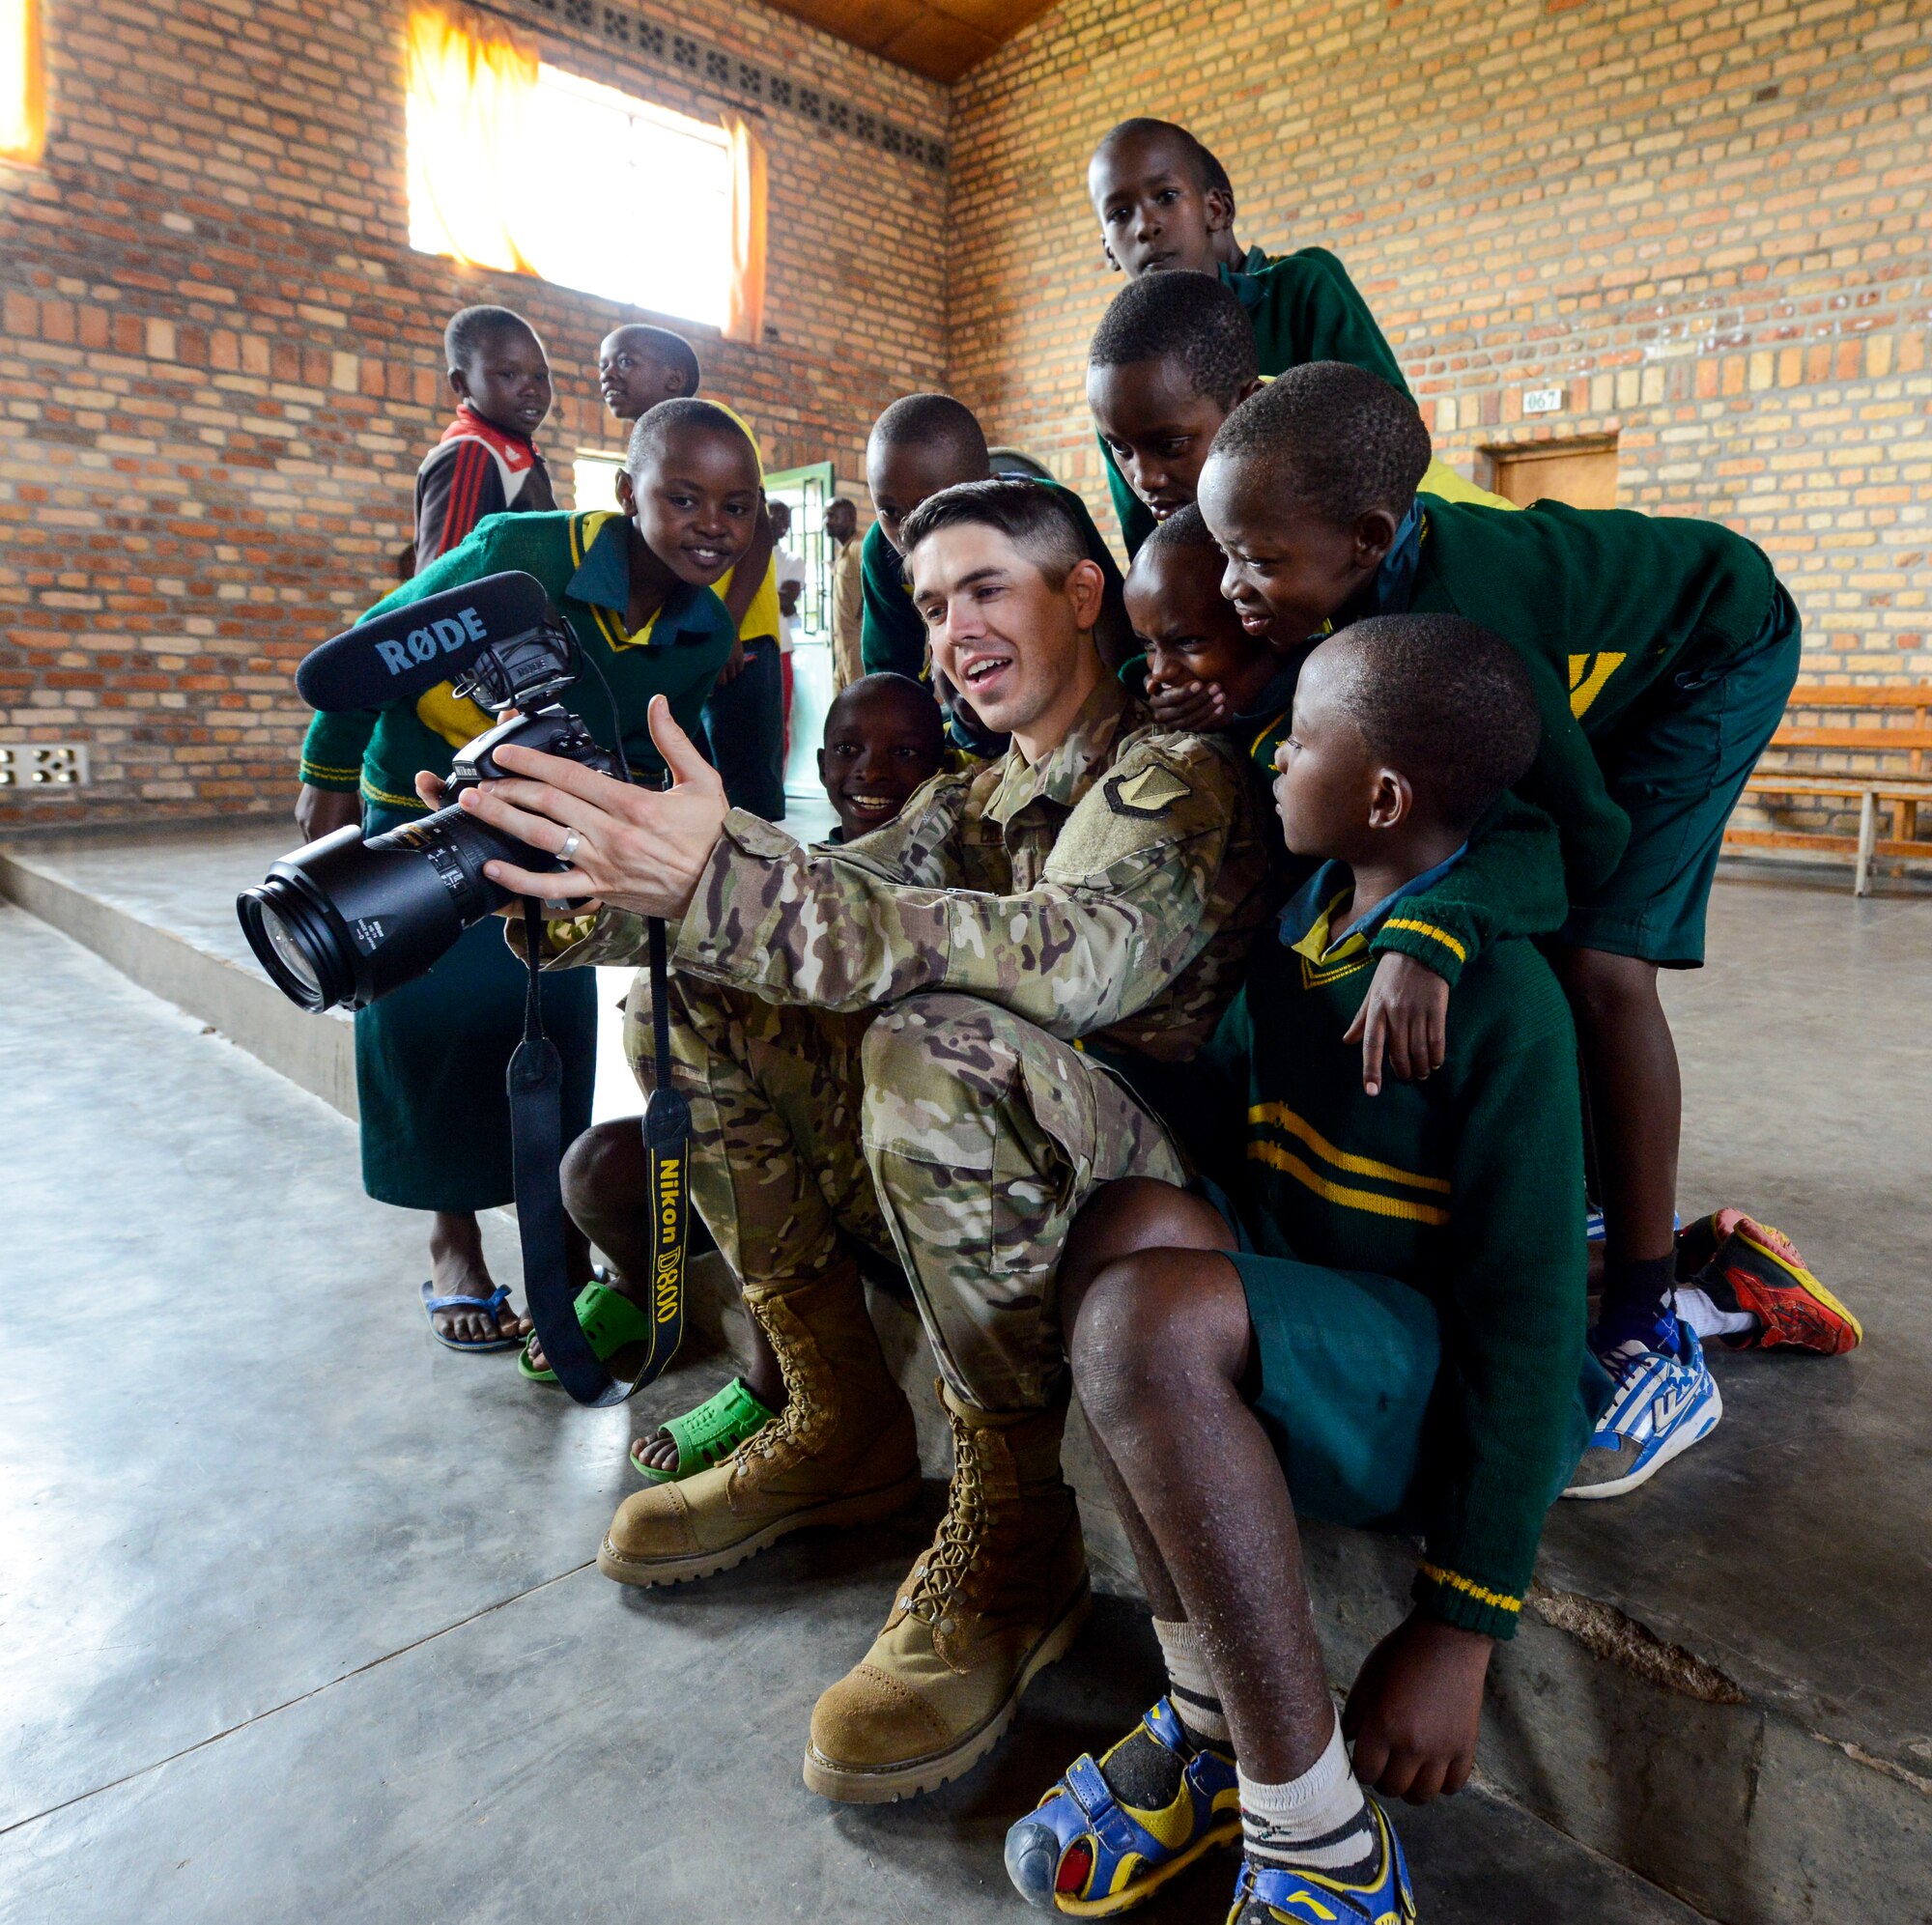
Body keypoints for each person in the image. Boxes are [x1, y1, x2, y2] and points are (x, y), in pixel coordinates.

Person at [448, 478, 1275, 1801]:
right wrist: (575, 872)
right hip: (984, 1175)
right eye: (935, 605)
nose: (953, 629)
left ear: (1082, 597)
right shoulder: (978, 790)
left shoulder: (1177, 776)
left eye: (986, 588)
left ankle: (1015, 1522)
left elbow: (1063, 964)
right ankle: (836, 1408)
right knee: (704, 982)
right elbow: (843, 889)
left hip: (1144, 1214)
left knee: (924, 1034)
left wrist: (724, 882)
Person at [1005, 614, 1604, 1923]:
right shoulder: (1308, 933)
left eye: (1303, 738)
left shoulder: (1504, 1007)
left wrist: (1462, 1619)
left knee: (1142, 1328)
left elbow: (1532, 1322)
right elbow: (1213, 1136)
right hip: (1321, 1324)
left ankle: (1322, 1836)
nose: (1269, 751)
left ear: (1382, 796)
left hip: (1434, 1396)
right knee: (1114, 1234)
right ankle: (1213, 1723)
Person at [1194, 362, 1861, 1497]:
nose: (1230, 585)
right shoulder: (1366, 578)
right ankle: (1592, 1215)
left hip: (1714, 652)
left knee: (1599, 961)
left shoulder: (1462, 606)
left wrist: (1435, 932)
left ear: (1365, 537)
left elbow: (1576, 836)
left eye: (1256, 561)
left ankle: (1647, 1319)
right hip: (1605, 661)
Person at [295, 399, 755, 1354]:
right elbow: (373, 649)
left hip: (548, 844)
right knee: (428, 1023)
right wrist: (328, 789)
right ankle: (452, 1240)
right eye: (684, 496)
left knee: (542, 1035)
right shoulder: (521, 557)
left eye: (737, 505)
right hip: (426, 806)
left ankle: (556, 1243)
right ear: (627, 493)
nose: (713, 522)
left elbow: (657, 741)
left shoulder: (704, 630)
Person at [580, 669, 952, 1486]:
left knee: (751, 1181)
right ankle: (639, 1296)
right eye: (849, 750)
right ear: (817, 765)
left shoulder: (941, 871)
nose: (872, 772)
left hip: (875, 1158)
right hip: (783, 1124)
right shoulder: (799, 866)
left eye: (906, 752)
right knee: (596, 1167)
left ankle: (773, 1380)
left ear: (941, 766)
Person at [1084, 119, 1506, 556]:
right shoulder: (1121, 379)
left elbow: (1388, 428)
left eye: (1166, 197)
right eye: (1119, 214)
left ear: (1215, 210)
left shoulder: (1299, 289)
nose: (1144, 226)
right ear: (1108, 249)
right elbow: (1148, 541)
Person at [595, 322, 784, 820]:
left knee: (745, 789)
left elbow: (758, 531)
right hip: (686, 637)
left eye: (626, 361)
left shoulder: (712, 425)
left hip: (738, 639)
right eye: (603, 365)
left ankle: (765, 891)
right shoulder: (651, 448)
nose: (609, 374)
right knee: (689, 777)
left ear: (675, 378)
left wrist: (730, 628)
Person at [862, 393, 1134, 685]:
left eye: (933, 505)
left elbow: (1114, 627)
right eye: (889, 511)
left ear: (989, 483)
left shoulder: (1049, 508)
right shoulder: (881, 550)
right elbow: (891, 671)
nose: (908, 533)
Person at [412, 305, 557, 567]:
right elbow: (443, 582)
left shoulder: (519, 453)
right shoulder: (470, 454)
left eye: (540, 376)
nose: (531, 389)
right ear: (460, 383)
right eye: (508, 374)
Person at [772, 497, 807, 743]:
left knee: (779, 720)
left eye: (787, 517)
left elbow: (787, 600)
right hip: (745, 647)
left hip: (781, 648)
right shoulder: (743, 555)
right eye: (777, 514)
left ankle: (778, 781)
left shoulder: (792, 560)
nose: (784, 522)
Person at [827, 495, 865, 693]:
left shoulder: (860, 547)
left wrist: (861, 617)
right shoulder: (843, 552)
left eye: (833, 516)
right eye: (825, 516)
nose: (827, 521)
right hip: (842, 646)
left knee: (860, 705)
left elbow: (873, 584)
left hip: (856, 645)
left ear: (850, 518)